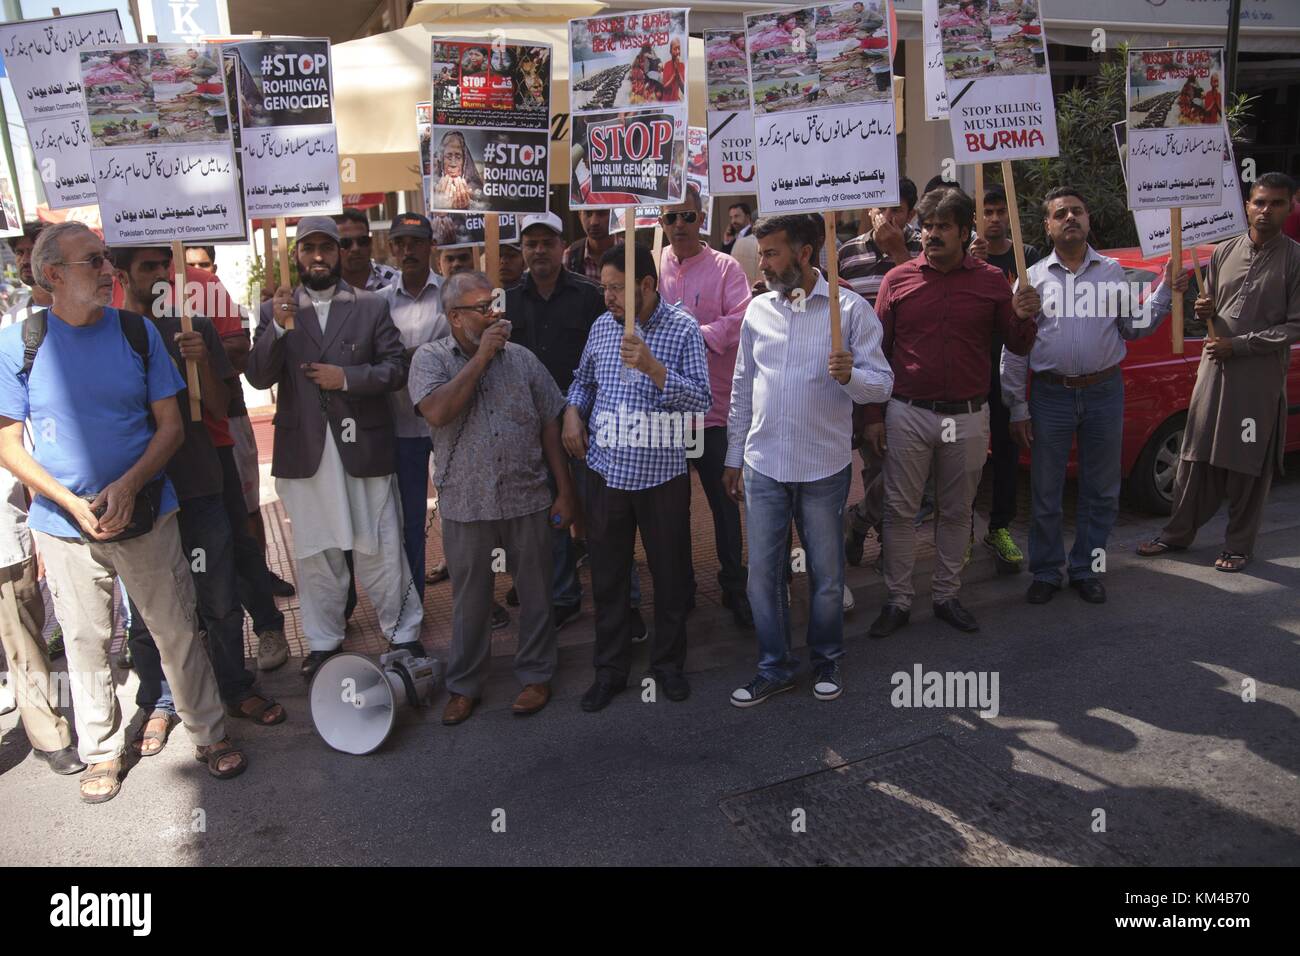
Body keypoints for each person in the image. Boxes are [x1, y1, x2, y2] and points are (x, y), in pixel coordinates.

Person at [0, 221, 245, 803]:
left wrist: (131, 485)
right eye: (93, 261)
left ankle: (209, 735)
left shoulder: (136, 333)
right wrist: (67, 502)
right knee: (85, 641)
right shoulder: (20, 343)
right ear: (52, 275)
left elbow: (170, 425)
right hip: (63, 526)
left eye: (107, 259)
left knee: (175, 629)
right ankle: (103, 751)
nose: (108, 270)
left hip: (146, 512)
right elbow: (8, 444)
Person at [112, 245, 287, 748]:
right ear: (123, 274)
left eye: (162, 266)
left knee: (219, 597)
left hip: (199, 482)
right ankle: (161, 701)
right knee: (151, 611)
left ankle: (235, 686)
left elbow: (217, 404)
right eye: (147, 268)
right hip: (140, 495)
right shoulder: (107, 334)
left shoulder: (194, 326)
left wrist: (201, 360)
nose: (160, 276)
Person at [245, 216, 424, 677]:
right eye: (309, 249)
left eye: (327, 247)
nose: (319, 256)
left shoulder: (368, 306)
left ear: (340, 253)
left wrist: (346, 378)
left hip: (362, 448)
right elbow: (259, 376)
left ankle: (405, 633)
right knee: (314, 551)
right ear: (297, 256)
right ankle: (324, 640)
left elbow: (394, 370)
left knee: (380, 544)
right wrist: (280, 328)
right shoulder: (274, 311)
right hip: (306, 454)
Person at [725, 215, 893, 707]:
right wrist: (735, 456)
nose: (763, 264)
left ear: (804, 253)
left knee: (826, 576)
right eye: (761, 254)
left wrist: (850, 378)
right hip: (764, 467)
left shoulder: (850, 311)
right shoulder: (757, 312)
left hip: (824, 468)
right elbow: (741, 389)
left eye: (772, 253)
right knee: (763, 576)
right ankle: (774, 666)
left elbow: (882, 384)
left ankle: (827, 660)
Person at [867, 187, 1040, 638]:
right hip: (907, 412)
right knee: (900, 511)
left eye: (943, 226)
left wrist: (1025, 316)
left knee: (957, 512)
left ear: (965, 232)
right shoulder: (897, 280)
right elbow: (876, 353)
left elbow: (1018, 344)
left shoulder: (990, 282)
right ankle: (898, 600)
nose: (932, 234)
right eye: (926, 226)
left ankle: (946, 595)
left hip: (966, 415)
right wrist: (871, 416)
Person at [1001, 188, 1183, 605]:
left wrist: (1165, 291)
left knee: (1101, 490)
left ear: (1088, 220)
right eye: (1060, 213)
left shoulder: (1113, 272)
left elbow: (1134, 327)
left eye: (1077, 211)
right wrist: (1018, 406)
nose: (1070, 218)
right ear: (1047, 226)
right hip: (1051, 395)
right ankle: (1047, 571)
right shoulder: (1031, 280)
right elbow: (1014, 349)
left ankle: (1088, 568)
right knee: (1046, 491)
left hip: (1104, 391)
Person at [411, 272, 577, 724]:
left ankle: (537, 674)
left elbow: (549, 421)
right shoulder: (430, 359)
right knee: (471, 599)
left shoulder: (521, 359)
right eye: (481, 308)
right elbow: (438, 411)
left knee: (537, 591)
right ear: (454, 317)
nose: (493, 314)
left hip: (527, 495)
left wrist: (564, 492)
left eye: (494, 304)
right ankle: (464, 685)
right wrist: (481, 358)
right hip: (467, 501)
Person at [563, 244, 711, 712]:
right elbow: (583, 381)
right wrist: (572, 413)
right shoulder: (602, 327)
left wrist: (654, 367)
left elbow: (701, 400)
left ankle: (668, 666)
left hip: (662, 475)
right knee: (607, 579)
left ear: (647, 285)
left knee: (670, 579)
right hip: (606, 473)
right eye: (604, 286)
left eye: (616, 288)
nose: (607, 297)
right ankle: (610, 670)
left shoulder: (683, 328)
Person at [1139, 173, 1300, 572]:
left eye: (1276, 204)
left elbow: (1295, 326)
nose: (1266, 211)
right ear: (1247, 204)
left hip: (1256, 381)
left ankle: (1238, 545)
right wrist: (1203, 311)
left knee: (1247, 463)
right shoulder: (1224, 251)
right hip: (1213, 373)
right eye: (1259, 202)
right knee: (1195, 455)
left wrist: (1241, 345)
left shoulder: (1295, 259)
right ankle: (1177, 535)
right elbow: (1213, 306)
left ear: (1290, 207)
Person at [505, 212, 616, 629]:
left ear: (561, 247)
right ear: (523, 249)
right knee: (551, 516)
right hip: (532, 431)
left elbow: (603, 360)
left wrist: (580, 413)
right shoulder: (507, 300)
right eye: (530, 243)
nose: (538, 251)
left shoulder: (590, 295)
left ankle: (618, 599)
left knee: (601, 514)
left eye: (546, 242)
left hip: (586, 424)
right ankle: (564, 595)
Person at [0, 226, 82, 776]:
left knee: (22, 624)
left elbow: (16, 436)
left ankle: (49, 731)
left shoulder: (13, 340)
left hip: (7, 513)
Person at [658, 185, 754, 626]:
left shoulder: (726, 267)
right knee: (670, 512)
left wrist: (695, 336)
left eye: (688, 217)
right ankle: (682, 590)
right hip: (667, 415)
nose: (679, 226)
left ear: (703, 220)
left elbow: (742, 318)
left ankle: (736, 587)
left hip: (714, 413)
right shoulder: (653, 266)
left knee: (725, 504)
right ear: (661, 222)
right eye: (671, 217)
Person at [838, 178, 922, 567]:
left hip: (913, 382)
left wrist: (900, 252)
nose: (888, 217)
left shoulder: (924, 248)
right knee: (878, 465)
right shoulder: (848, 254)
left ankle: (858, 521)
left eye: (898, 210)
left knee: (918, 472)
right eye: (882, 208)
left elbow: (929, 298)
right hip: (866, 383)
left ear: (911, 214)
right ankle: (888, 544)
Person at [967, 184, 1043, 569]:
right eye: (987, 212)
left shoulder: (1026, 257)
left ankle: (999, 527)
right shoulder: (966, 259)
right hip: (971, 371)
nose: (994, 219)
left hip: (1010, 372)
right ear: (975, 219)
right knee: (965, 456)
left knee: (1008, 450)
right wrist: (971, 263)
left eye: (1000, 211)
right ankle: (962, 528)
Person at [377, 213, 446, 599]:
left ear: (430, 246)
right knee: (409, 521)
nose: (408, 250)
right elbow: (383, 360)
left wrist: (410, 358)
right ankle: (412, 603)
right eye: (401, 243)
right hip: (401, 427)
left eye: (416, 242)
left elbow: (463, 353)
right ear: (392, 248)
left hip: (448, 425)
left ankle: (476, 604)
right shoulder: (378, 303)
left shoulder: (453, 294)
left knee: (459, 517)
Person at [336, 208, 398, 291]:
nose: (355, 248)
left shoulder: (394, 280)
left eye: (362, 241)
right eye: (345, 242)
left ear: (370, 242)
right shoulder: (324, 286)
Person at [565, 209, 615, 282]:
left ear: (614, 214)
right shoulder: (569, 257)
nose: (594, 222)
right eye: (588, 213)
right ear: (580, 215)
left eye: (602, 213)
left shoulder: (631, 254)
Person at [660, 37, 685, 102]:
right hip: (666, 102)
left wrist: (678, 71)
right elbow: (664, 87)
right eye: (675, 49)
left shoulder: (682, 66)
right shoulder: (667, 65)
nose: (678, 51)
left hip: (675, 102)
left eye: (679, 49)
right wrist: (674, 75)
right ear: (670, 51)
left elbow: (684, 90)